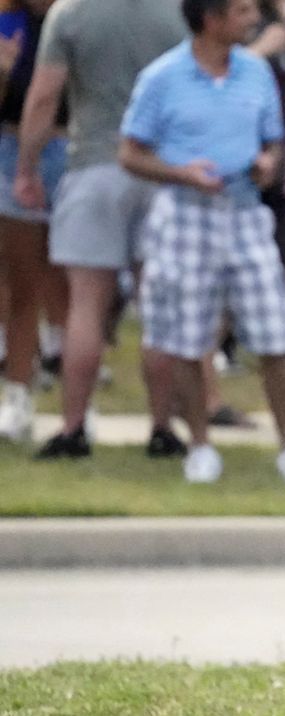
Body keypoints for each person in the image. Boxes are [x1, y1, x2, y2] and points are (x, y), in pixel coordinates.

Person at [118, 0, 285, 484]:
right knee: (188, 338)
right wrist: (180, 174)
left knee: (275, 332)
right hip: (185, 216)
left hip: (246, 213)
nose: (253, 18)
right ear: (211, 19)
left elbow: (272, 139)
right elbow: (129, 152)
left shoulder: (255, 75)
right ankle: (201, 446)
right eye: (242, 10)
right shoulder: (161, 78)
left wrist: (269, 161)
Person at [15, 0, 188, 459]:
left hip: (93, 163)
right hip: (161, 170)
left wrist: (27, 167)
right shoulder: (176, 12)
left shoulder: (71, 13)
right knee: (159, 305)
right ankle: (162, 426)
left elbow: (45, 95)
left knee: (85, 305)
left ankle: (73, 427)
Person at [0, 0, 67, 443]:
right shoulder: (8, 21)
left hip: (72, 149)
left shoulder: (76, 19)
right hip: (10, 148)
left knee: (69, 284)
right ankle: (18, 397)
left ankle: (77, 409)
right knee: (22, 282)